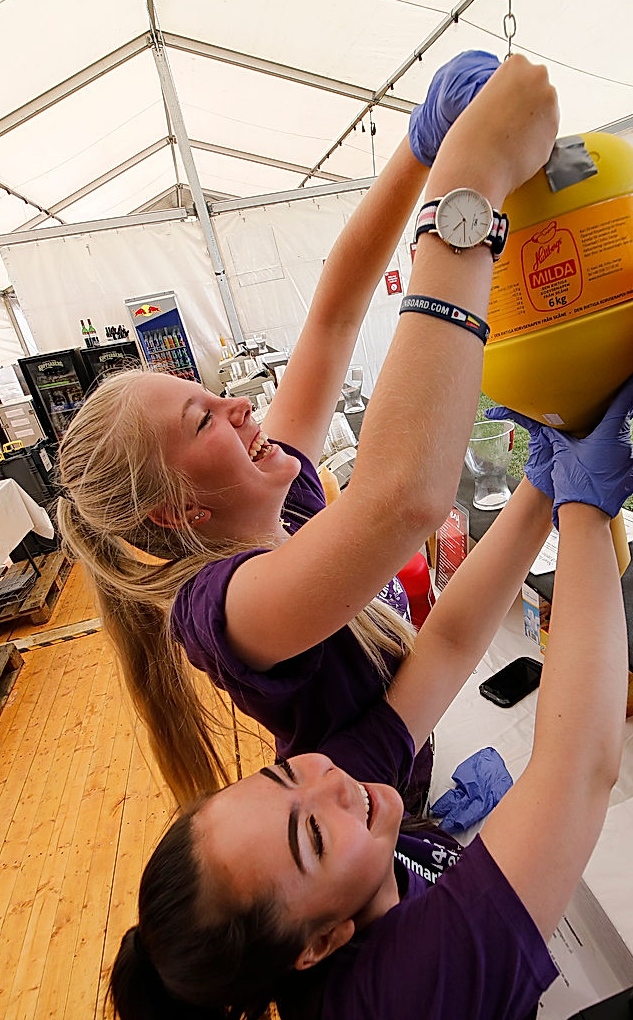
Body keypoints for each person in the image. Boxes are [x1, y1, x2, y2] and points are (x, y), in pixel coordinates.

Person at [54, 52, 558, 811]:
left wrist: (418, 150)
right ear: (175, 508)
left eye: (212, 394)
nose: (239, 407)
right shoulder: (220, 613)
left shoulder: (273, 506)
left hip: (417, 749)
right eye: (202, 419)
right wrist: (465, 192)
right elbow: (403, 501)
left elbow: (332, 317)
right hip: (369, 841)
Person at [107, 347, 633, 1020]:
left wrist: (545, 482)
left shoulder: (333, 792)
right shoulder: (401, 992)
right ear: (320, 946)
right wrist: (583, 508)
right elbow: (579, 768)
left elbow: (448, 648)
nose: (329, 782)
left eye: (279, 778)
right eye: (311, 838)